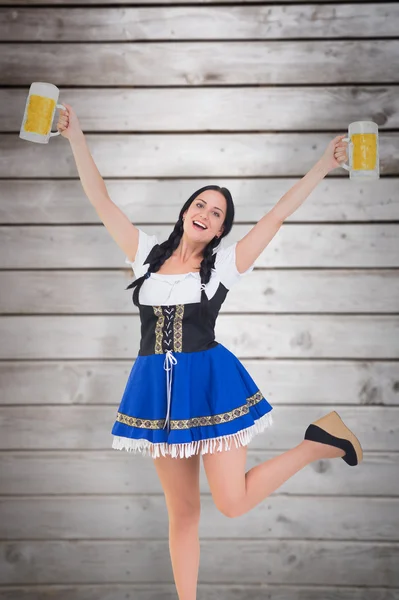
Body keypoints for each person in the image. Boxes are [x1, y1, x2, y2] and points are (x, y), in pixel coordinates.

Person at [57, 104, 362, 600]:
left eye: (217, 213)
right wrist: (77, 139)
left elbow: (278, 214)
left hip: (211, 384)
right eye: (201, 204)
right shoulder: (146, 255)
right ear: (185, 212)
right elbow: (100, 199)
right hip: (158, 392)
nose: (206, 214)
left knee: (232, 503)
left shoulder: (223, 267)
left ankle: (317, 442)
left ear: (220, 230)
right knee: (183, 514)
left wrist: (324, 164)